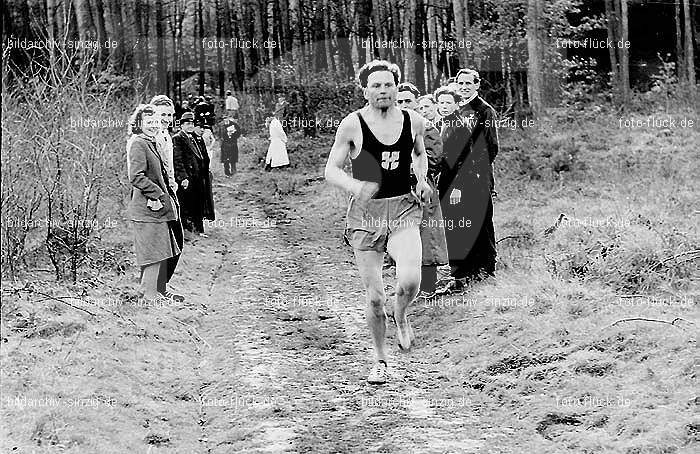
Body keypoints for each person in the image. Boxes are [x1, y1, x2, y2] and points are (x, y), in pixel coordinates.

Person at [324, 60, 432, 384]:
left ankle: (401, 314)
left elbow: (419, 153)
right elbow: (331, 169)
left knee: (411, 279)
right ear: (365, 90)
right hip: (366, 213)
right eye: (376, 85)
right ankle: (380, 359)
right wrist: (355, 186)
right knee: (374, 296)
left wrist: (422, 179)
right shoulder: (352, 124)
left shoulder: (413, 120)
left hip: (402, 207)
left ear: (397, 87)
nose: (383, 90)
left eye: (388, 84)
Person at [435, 68, 499, 295]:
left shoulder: (484, 111)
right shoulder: (455, 110)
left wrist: (469, 179)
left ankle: (486, 271)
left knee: (481, 225)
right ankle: (462, 274)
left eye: (468, 83)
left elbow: (489, 148)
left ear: (477, 84)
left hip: (476, 179)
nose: (463, 87)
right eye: (460, 83)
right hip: (451, 180)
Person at [397, 83, 448, 298]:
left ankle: (428, 286)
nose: (403, 105)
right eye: (399, 101)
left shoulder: (426, 126)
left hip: (422, 189)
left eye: (408, 100)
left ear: (417, 102)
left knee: (427, 239)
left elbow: (435, 160)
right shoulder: (391, 126)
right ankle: (408, 288)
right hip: (399, 192)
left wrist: (412, 171)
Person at [126, 104, 182, 302]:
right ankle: (149, 296)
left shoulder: (151, 142)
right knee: (152, 252)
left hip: (157, 208)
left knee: (160, 250)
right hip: (146, 208)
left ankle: (151, 292)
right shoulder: (138, 143)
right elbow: (136, 177)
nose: (153, 126)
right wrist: (158, 194)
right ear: (139, 123)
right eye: (148, 122)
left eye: (156, 122)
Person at [149, 95, 185, 302]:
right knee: (168, 241)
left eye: (170, 115)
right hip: (158, 196)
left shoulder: (166, 135)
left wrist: (174, 184)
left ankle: (162, 286)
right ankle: (157, 288)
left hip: (171, 192)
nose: (167, 118)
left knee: (175, 241)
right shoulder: (149, 137)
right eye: (163, 114)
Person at [173, 113, 214, 238]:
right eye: (187, 124)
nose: (190, 126)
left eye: (191, 123)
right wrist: (183, 177)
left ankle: (198, 230)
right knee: (187, 204)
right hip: (188, 177)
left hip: (197, 177)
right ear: (181, 125)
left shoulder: (192, 137)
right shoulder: (178, 138)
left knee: (198, 203)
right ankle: (188, 231)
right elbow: (177, 160)